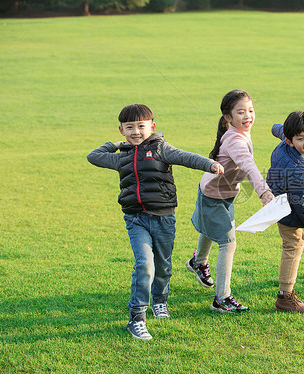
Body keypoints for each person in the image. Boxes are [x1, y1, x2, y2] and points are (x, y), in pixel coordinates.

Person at [87, 104, 224, 340]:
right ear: (121, 130)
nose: (136, 132)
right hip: (136, 219)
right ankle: (137, 317)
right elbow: (94, 156)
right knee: (145, 265)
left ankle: (160, 300)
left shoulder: (161, 148)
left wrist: (209, 164)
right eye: (129, 128)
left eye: (141, 126)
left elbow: (185, 157)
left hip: (163, 219)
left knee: (163, 266)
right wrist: (117, 145)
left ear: (152, 126)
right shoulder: (122, 157)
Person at [186, 89, 274, 313]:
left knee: (210, 228)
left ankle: (198, 262)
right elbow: (249, 165)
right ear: (228, 117)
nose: (248, 116)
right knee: (228, 243)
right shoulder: (235, 139)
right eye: (241, 112)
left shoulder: (241, 132)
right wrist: (264, 193)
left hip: (222, 193)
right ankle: (222, 299)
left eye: (251, 110)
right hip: (213, 195)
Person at [266, 111, 304, 314]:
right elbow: (300, 202)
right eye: (300, 139)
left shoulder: (290, 137)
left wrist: (277, 127)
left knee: (294, 243)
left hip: (286, 198)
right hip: (287, 208)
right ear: (290, 142)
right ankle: (285, 296)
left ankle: (286, 289)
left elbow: (279, 129)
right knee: (293, 245)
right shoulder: (297, 169)